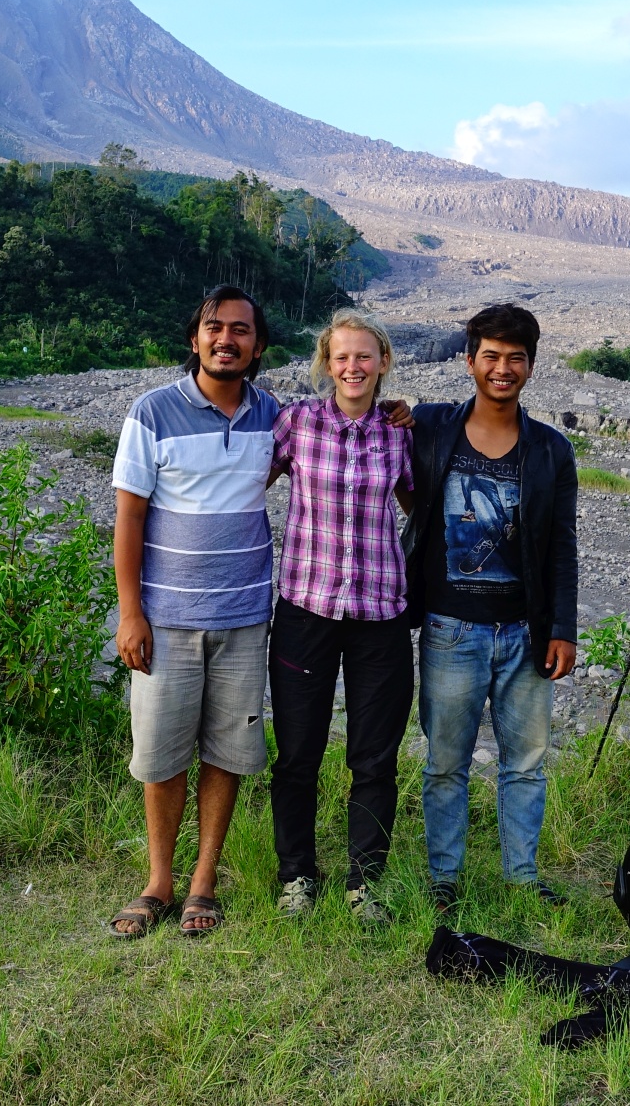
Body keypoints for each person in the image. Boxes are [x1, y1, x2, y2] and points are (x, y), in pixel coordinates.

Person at [106, 285, 278, 939]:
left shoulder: (273, 416)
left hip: (242, 618)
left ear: (257, 346)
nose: (226, 339)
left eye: (240, 329)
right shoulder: (151, 413)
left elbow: (328, 441)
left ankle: (204, 879)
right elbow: (129, 516)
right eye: (215, 327)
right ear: (195, 338)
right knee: (161, 753)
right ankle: (158, 881)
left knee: (228, 750)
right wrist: (130, 612)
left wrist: (397, 414)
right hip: (166, 619)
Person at [403, 301, 579, 914]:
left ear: (531, 365)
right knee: (445, 761)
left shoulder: (550, 450)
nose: (502, 369)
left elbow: (562, 546)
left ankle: (522, 880)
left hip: (526, 634)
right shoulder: (429, 426)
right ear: (469, 359)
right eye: (491, 356)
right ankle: (443, 880)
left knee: (526, 764)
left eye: (515, 358)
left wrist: (562, 629)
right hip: (452, 630)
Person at [266, 308, 416, 925]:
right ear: (326, 365)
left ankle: (366, 883)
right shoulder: (297, 422)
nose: (352, 367)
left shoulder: (400, 431)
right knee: (298, 752)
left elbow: (418, 502)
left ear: (382, 363)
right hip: (307, 608)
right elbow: (251, 484)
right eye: (341, 357)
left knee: (375, 757)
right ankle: (297, 874)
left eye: (364, 356)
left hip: (380, 614)